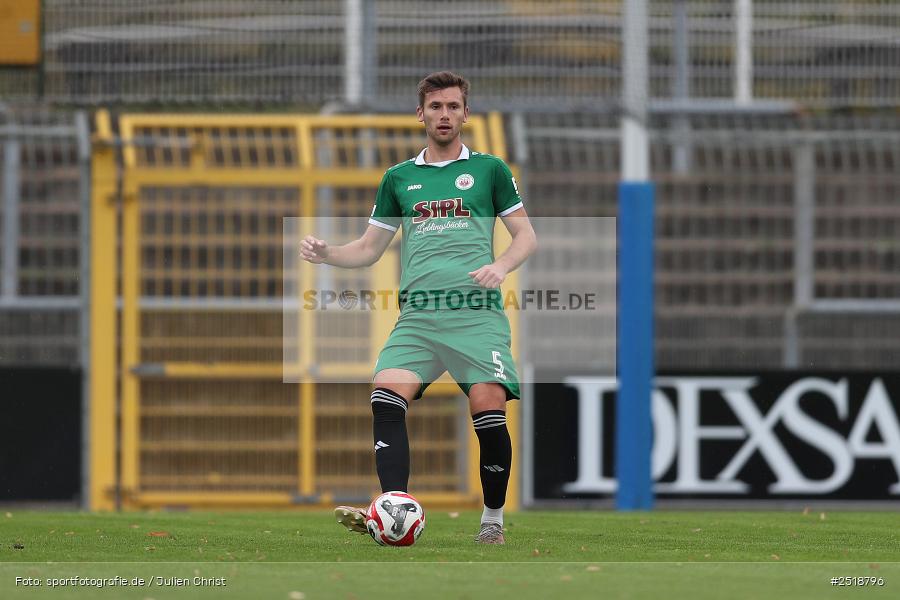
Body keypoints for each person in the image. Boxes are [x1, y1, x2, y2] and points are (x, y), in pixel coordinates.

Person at [299, 71, 536, 544]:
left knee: (487, 409)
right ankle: (394, 510)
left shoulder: (489, 170)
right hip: (420, 318)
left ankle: (492, 520)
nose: (444, 115)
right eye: (435, 107)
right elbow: (369, 249)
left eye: (452, 106)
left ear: (466, 114)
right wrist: (328, 254)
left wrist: (502, 266)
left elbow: (526, 236)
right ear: (421, 113)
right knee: (385, 395)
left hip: (474, 315)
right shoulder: (398, 178)